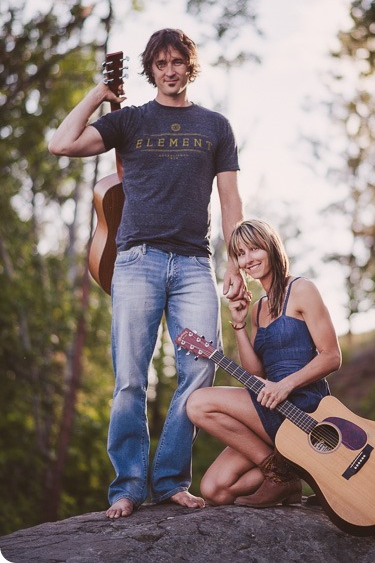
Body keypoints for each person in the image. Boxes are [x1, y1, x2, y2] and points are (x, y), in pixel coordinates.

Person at [48, 28, 245, 518]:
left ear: (189, 66)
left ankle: (172, 480)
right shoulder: (130, 121)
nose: (170, 70)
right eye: (160, 63)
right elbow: (60, 143)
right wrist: (100, 93)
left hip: (195, 263)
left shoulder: (215, 125)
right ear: (150, 69)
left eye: (178, 61)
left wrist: (237, 262)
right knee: (130, 378)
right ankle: (129, 486)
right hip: (137, 261)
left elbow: (230, 202)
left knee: (199, 369)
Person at [186, 219, 342, 508]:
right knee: (214, 490)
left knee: (198, 403)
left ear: (271, 248)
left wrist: (286, 385)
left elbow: (331, 355)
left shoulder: (302, 289)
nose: (248, 259)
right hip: (271, 405)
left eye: (254, 249)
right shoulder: (257, 308)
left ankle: (280, 474)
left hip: (304, 403)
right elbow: (256, 373)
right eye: (241, 253)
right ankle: (286, 477)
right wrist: (239, 324)